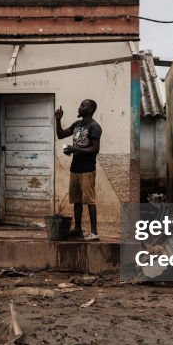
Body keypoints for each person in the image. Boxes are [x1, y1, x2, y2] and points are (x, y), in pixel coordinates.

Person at [54, 99, 102, 240]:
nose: (79, 107)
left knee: (90, 201)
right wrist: (58, 120)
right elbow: (61, 135)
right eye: (80, 105)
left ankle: (94, 232)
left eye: (82, 105)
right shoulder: (77, 124)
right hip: (75, 168)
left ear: (90, 109)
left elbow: (95, 149)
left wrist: (75, 148)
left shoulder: (94, 127)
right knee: (77, 200)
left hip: (87, 169)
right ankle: (78, 229)